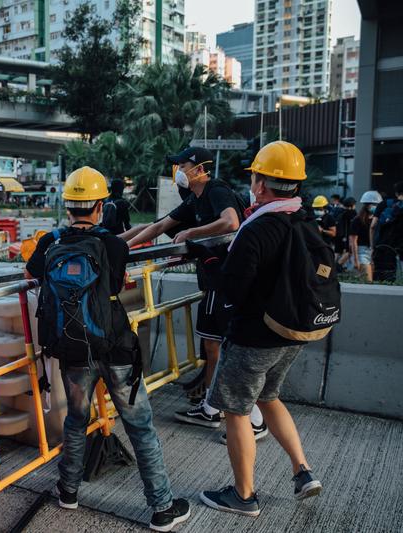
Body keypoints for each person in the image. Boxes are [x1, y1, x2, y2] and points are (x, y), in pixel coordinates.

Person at [25, 166, 190, 533]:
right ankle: (162, 507)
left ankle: (68, 491)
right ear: (100, 206)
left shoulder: (49, 242)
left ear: (68, 206)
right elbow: (115, 284)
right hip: (114, 348)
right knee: (140, 425)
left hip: (72, 349)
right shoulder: (113, 244)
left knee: (75, 420)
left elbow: (31, 274)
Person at [194, 141, 323, 516]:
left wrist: (214, 258)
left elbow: (233, 287)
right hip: (292, 332)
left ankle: (243, 495)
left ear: (262, 183)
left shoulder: (259, 228)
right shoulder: (303, 219)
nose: (252, 181)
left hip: (256, 336)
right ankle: (303, 470)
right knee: (268, 398)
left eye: (254, 175)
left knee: (236, 411)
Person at [120, 147, 266, 440]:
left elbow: (231, 222)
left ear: (199, 169)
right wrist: (119, 246)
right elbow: (159, 225)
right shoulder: (194, 200)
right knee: (213, 347)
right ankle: (211, 408)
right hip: (215, 280)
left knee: (225, 349)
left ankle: (253, 418)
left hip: (228, 282)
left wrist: (191, 234)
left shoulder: (216, 189)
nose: (178, 172)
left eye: (182, 165)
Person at [370, 182, 403, 281]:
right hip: (401, 248)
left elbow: (372, 226)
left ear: (396, 193)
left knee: (381, 277)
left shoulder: (384, 204)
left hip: (383, 247)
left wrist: (372, 247)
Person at [350, 191, 381, 282]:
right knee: (368, 281)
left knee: (369, 280)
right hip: (361, 252)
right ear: (366, 205)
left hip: (372, 252)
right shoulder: (357, 220)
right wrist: (356, 260)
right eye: (373, 204)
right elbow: (353, 241)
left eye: (377, 204)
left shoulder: (376, 220)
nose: (375, 207)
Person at [335, 197, 357, 269]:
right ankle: (336, 267)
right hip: (346, 235)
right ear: (352, 205)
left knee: (337, 252)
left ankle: (331, 268)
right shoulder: (352, 213)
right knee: (349, 251)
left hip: (338, 235)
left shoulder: (340, 211)